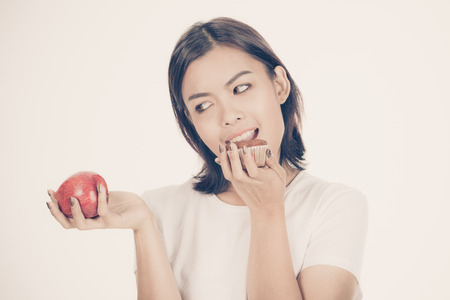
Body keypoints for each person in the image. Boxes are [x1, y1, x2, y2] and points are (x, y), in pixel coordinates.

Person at [47, 17, 368, 300]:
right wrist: (144, 226)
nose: (228, 116)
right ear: (190, 122)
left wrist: (267, 210)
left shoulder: (335, 205)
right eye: (203, 105)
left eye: (241, 88)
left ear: (279, 85)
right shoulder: (161, 208)